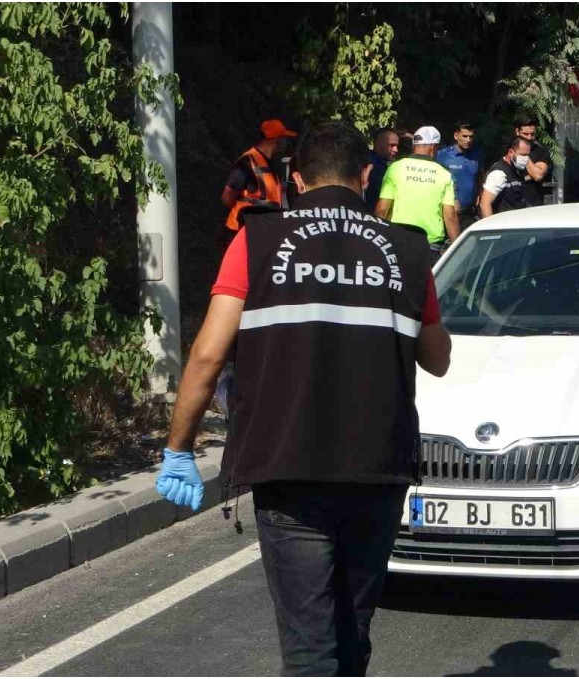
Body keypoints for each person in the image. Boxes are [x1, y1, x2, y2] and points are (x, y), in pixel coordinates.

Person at [155, 120, 451, 676]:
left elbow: (207, 356)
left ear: (295, 179)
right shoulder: (408, 250)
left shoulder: (256, 240)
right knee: (352, 633)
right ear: (366, 176)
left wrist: (178, 449)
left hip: (287, 468)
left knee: (309, 647)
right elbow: (438, 359)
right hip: (377, 468)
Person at [375, 126, 461, 264]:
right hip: (430, 245)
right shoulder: (444, 173)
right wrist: (457, 250)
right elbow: (450, 216)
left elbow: (382, 209)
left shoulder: (395, 168)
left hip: (398, 241)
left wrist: (376, 241)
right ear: (433, 147)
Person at [220, 119, 297, 247]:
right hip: (241, 231)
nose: (286, 143)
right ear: (276, 139)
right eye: (284, 139)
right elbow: (226, 199)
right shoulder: (246, 162)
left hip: (259, 230)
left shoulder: (270, 163)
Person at [436, 123, 484, 231]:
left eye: (471, 137)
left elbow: (480, 173)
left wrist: (480, 192)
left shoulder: (476, 155)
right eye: (465, 136)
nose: (468, 140)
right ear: (456, 136)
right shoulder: (442, 155)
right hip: (448, 210)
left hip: (469, 212)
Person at [479, 137, 532, 217]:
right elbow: (484, 204)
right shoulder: (499, 173)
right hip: (503, 221)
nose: (526, 159)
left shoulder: (517, 169)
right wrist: (491, 224)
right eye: (523, 155)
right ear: (510, 152)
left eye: (527, 155)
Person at [514, 117, 551, 206]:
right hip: (510, 203)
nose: (529, 138)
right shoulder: (508, 149)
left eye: (532, 134)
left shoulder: (541, 152)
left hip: (532, 203)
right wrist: (527, 176)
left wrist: (524, 155)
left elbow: (538, 175)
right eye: (525, 134)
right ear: (517, 132)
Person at [363, 128, 399, 212]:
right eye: (391, 145)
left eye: (397, 146)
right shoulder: (366, 163)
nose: (396, 150)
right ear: (379, 144)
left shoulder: (389, 165)